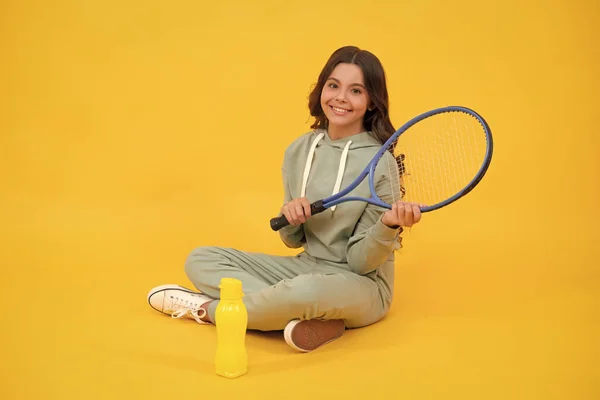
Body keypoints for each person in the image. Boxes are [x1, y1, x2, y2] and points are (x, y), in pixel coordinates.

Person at [147, 45, 423, 352]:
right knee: (201, 259)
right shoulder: (299, 151)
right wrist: (291, 218)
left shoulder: (379, 162)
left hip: (363, 286)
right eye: (333, 85)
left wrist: (387, 225)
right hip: (306, 268)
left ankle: (210, 311)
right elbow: (293, 241)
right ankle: (306, 317)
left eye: (356, 90)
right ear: (322, 89)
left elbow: (360, 263)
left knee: (305, 290)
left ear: (371, 102)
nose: (341, 98)